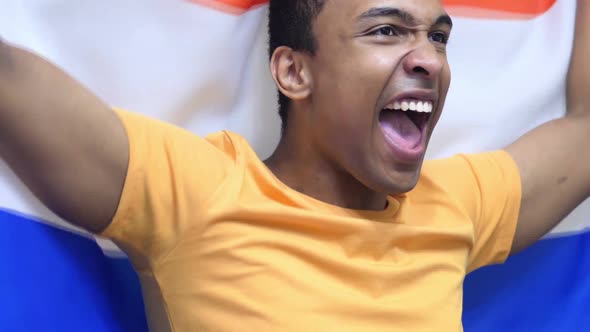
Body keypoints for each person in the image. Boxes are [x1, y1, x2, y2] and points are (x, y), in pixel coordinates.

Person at [0, 0, 588, 331]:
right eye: (387, 31)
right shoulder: (199, 192)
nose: (429, 59)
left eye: (438, 37)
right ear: (293, 72)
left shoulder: (457, 203)